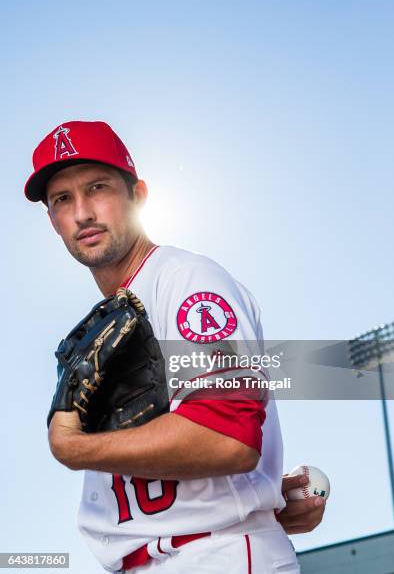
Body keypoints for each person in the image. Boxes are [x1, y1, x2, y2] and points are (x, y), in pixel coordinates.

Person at [25, 121, 325, 573]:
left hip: (214, 553)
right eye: (63, 199)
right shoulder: (108, 323)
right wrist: (259, 488)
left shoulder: (184, 280)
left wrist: (74, 447)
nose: (83, 212)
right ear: (52, 219)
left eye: (98, 187)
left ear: (138, 195)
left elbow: (226, 436)